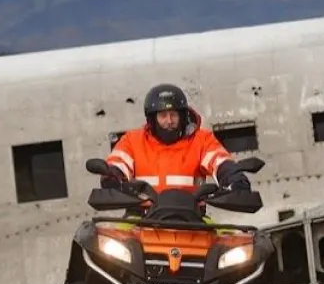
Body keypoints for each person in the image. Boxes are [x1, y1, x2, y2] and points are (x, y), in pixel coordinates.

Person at [100, 83, 250, 217]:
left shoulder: (201, 139)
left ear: (182, 116)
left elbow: (219, 160)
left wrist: (234, 178)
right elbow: (119, 161)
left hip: (192, 219)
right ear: (152, 119)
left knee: (228, 243)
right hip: (140, 220)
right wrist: (112, 176)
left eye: (173, 115)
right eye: (163, 115)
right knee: (105, 240)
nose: (169, 121)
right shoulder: (133, 140)